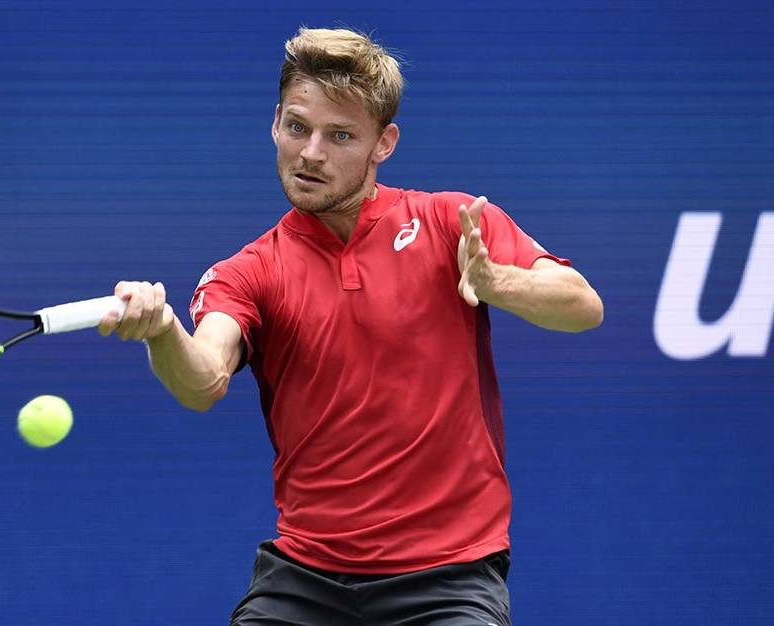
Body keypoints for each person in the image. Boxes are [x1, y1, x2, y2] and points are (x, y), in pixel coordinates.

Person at [98, 27, 603, 626]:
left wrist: (500, 284)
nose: (311, 153)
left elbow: (582, 304)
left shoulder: (450, 222)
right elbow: (202, 379)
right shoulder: (249, 271)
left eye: (340, 136)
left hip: (447, 577)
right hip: (304, 579)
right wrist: (162, 332)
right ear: (274, 123)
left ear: (383, 143)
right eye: (297, 127)